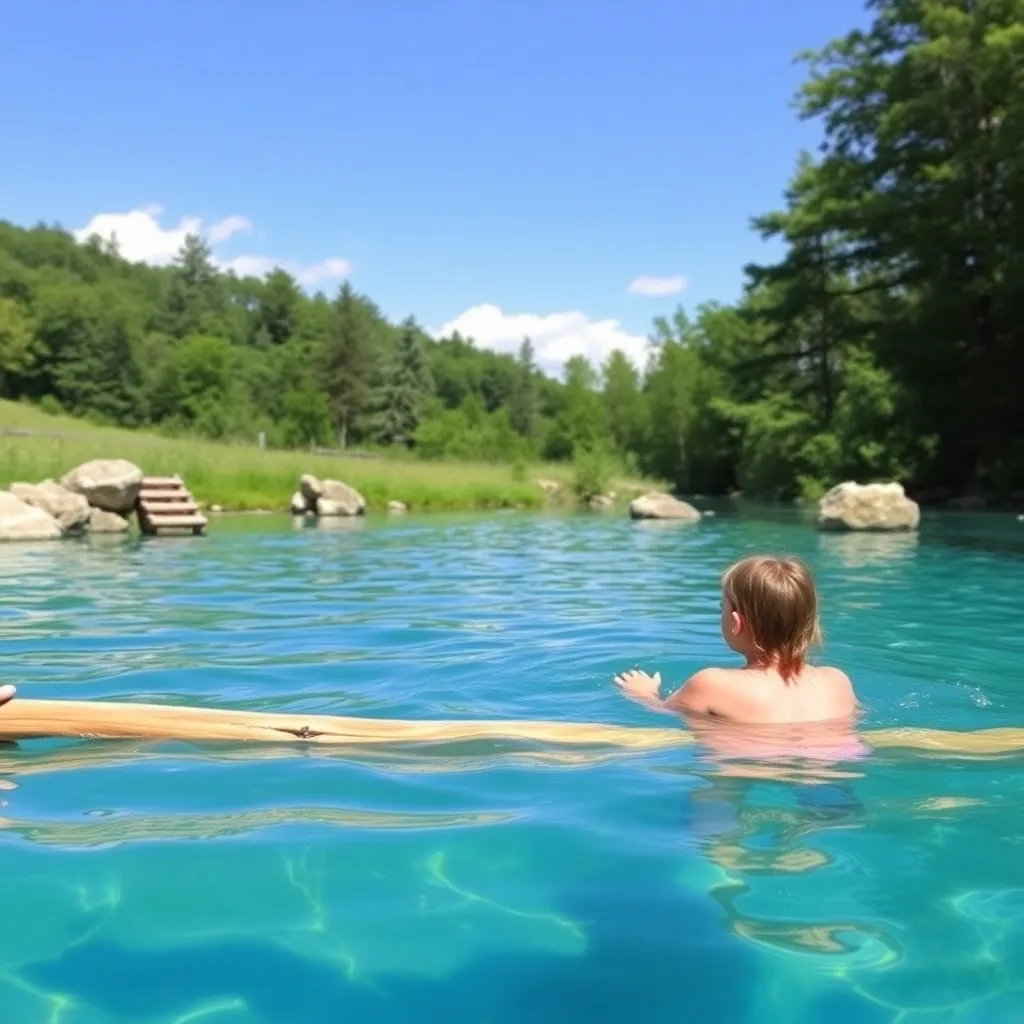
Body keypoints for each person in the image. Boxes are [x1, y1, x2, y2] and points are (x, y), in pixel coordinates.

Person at [615, 554, 858, 732]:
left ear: (736, 622)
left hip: (746, 761)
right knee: (832, 799)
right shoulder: (836, 680)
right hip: (829, 758)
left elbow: (664, 713)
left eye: (723, 608)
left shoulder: (711, 683)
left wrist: (643, 694)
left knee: (718, 794)